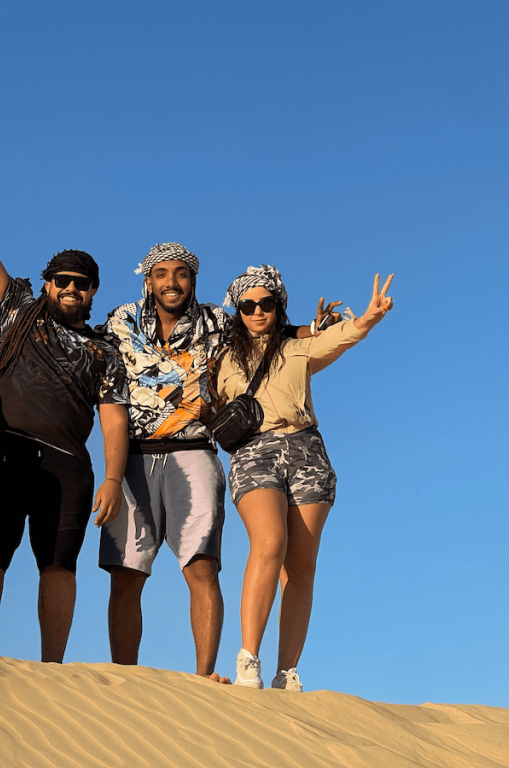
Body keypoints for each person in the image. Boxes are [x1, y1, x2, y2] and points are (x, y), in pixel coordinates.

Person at [0, 137, 130, 663]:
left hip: (68, 466)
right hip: (2, 452)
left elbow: (113, 420)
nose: (71, 288)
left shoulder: (106, 351)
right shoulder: (16, 306)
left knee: (59, 564)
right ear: (45, 284)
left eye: (82, 284)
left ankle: (51, 669)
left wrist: (112, 477)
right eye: (62, 280)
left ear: (92, 292)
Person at [99, 243, 340, 683]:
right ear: (148, 279)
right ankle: (123, 680)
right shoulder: (120, 320)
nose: (172, 282)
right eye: (162, 274)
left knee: (202, 567)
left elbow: (268, 331)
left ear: (193, 279)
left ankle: (205, 675)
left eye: (182, 273)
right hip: (135, 454)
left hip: (194, 451)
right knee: (126, 573)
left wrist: (314, 329)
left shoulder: (216, 321)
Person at [214, 265, 393, 691]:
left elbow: (340, 338)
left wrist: (369, 316)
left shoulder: (297, 348)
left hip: (307, 451)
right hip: (256, 452)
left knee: (301, 567)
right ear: (238, 310)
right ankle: (248, 659)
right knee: (270, 543)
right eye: (249, 305)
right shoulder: (222, 356)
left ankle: (287, 671)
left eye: (267, 303)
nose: (258, 311)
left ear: (278, 306)